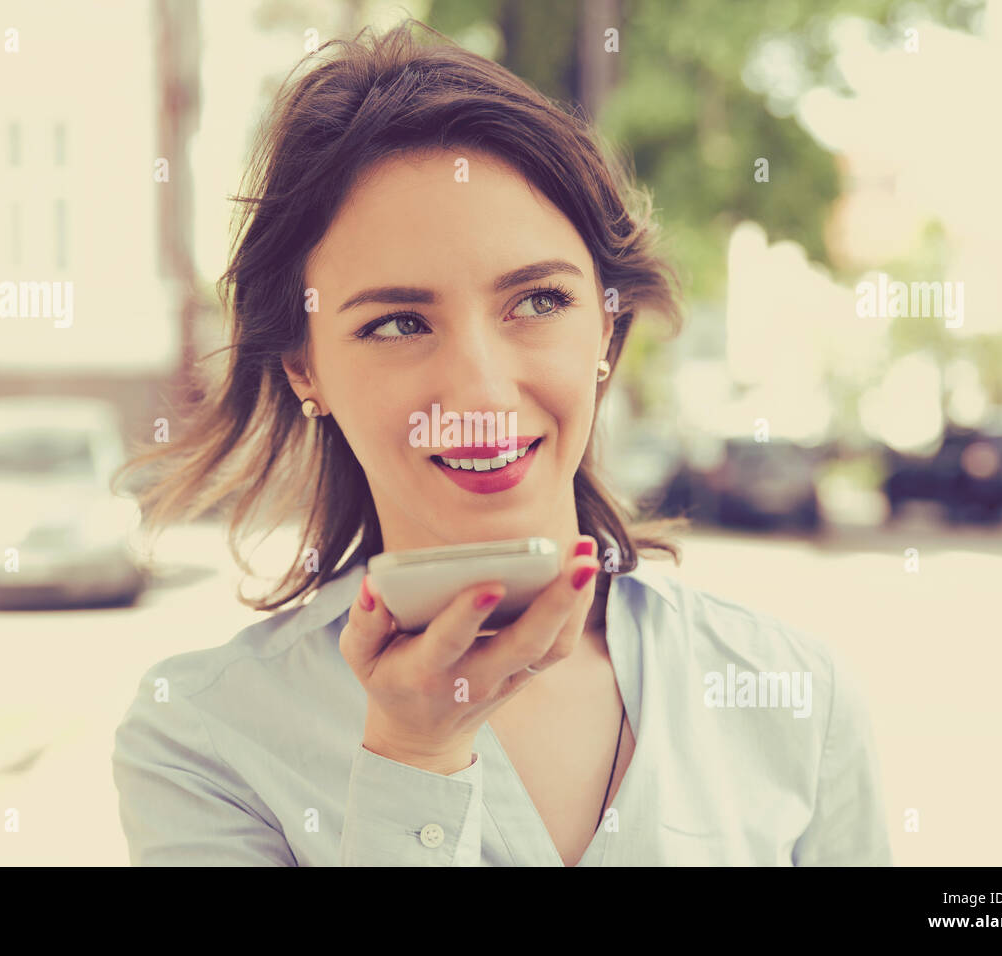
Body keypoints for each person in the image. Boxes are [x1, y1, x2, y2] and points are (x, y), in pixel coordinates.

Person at [110, 18, 892, 866]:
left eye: (538, 302)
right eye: (400, 322)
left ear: (606, 321)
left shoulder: (793, 696)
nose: (480, 390)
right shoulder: (201, 740)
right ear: (307, 370)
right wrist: (413, 761)